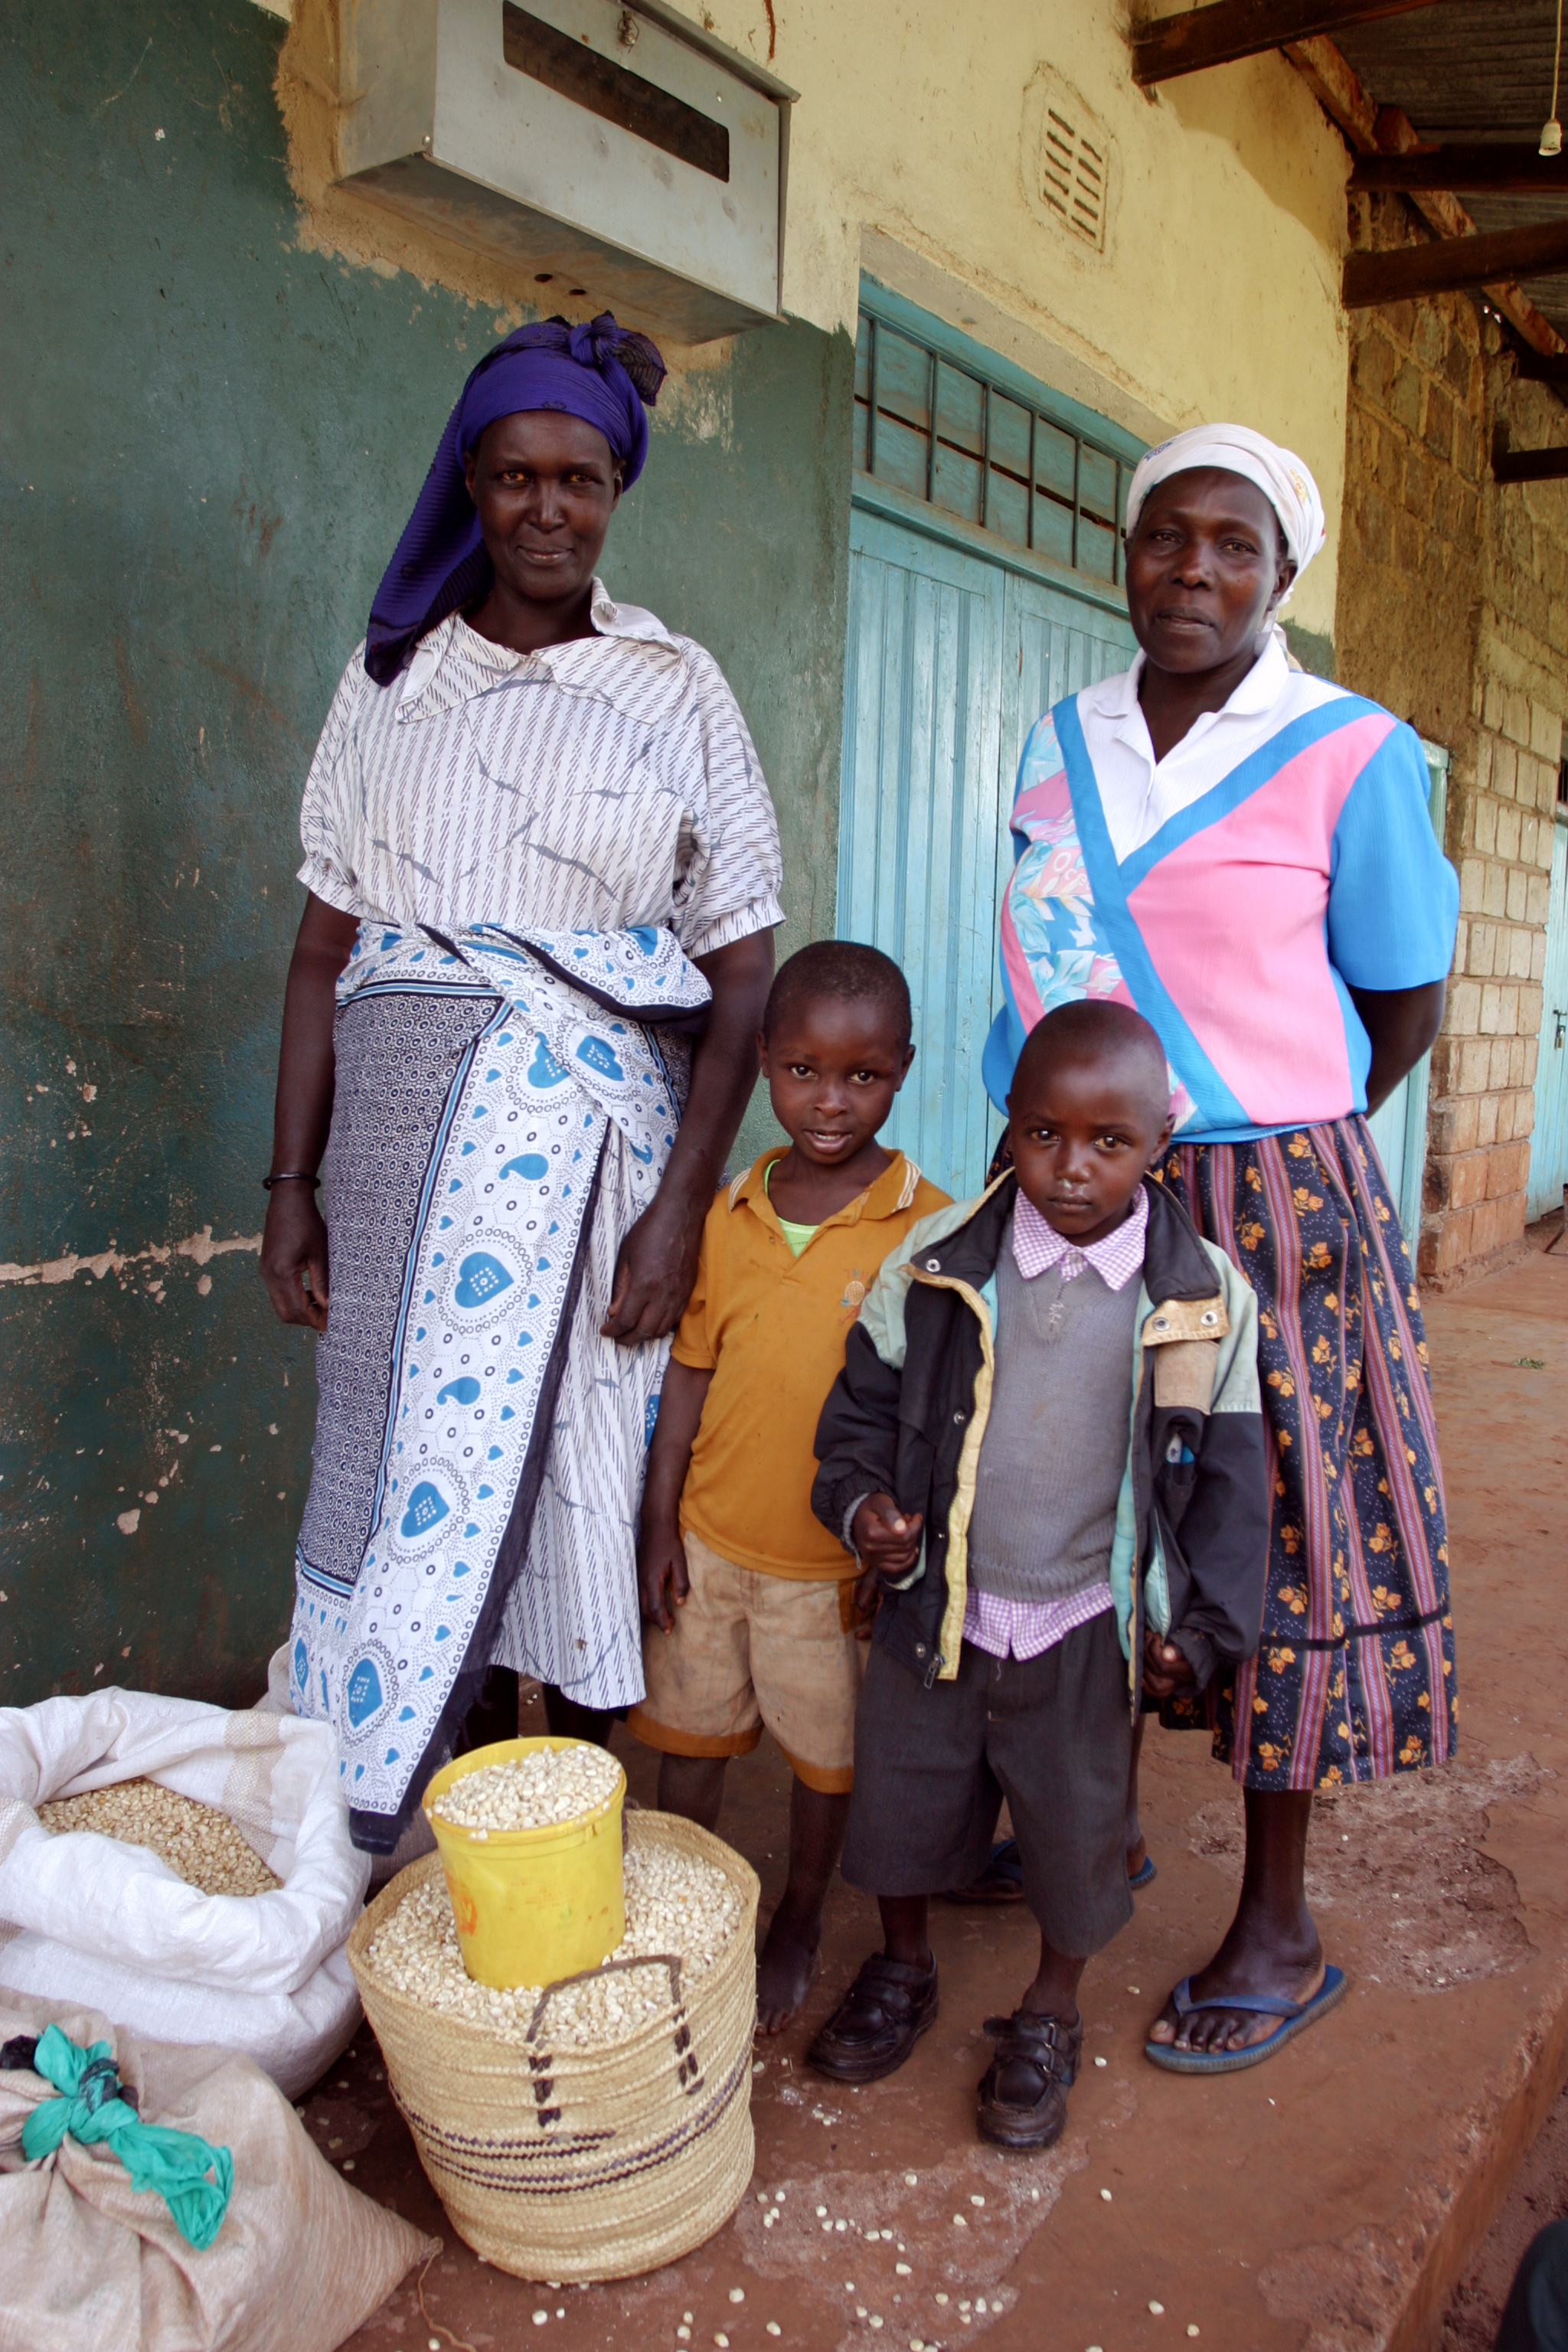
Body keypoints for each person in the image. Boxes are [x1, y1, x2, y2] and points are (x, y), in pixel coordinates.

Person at [260, 314, 782, 1856]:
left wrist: (682, 1208)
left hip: (595, 1159)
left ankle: (576, 1845)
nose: (547, 509)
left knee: (580, 1484)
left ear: (614, 488)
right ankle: (438, 1837)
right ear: (469, 487)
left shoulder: (676, 686)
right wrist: (286, 1188)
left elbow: (742, 968)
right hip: (395, 1148)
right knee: (407, 1481)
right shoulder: (390, 684)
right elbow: (316, 952)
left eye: (580, 478)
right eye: (513, 478)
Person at [985, 423, 1460, 2070]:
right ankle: (1084, 1821)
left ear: (1281, 574)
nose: (1192, 569)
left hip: (1276, 1207)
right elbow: (1038, 978)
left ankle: (1277, 1921)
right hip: (1074, 1182)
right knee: (1062, 1499)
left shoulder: (1351, 748)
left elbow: (1398, 995)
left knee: (1287, 1532)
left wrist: (1271, 1125)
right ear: (1126, 551)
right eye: (1165, 537)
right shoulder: (1065, 739)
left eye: (1234, 545)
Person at [805, 1001, 1269, 2146]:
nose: (1072, 1170)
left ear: (1163, 1139)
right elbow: (854, 1423)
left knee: (1075, 1835)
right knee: (906, 1806)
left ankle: (1050, 2010)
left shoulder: (1204, 1299)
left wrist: (1198, 1633)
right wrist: (863, 1508)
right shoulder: (935, 1269)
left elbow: (1230, 1491)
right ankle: (903, 1966)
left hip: (1084, 1621)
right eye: (1044, 1136)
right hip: (939, 1606)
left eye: (1109, 1144)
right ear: (1008, 1129)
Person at [631, 941, 949, 2031]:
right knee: (689, 1742)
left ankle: (800, 1919)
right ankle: (693, 1907)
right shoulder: (728, 1213)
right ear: (764, 1060)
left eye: (862, 1076)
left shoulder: (928, 1229)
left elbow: (932, 1413)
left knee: (827, 1761)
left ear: (902, 1070)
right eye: (805, 1069)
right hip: (711, 1543)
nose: (830, 1101)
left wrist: (894, 1548)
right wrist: (659, 1522)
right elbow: (689, 1374)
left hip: (832, 1570)